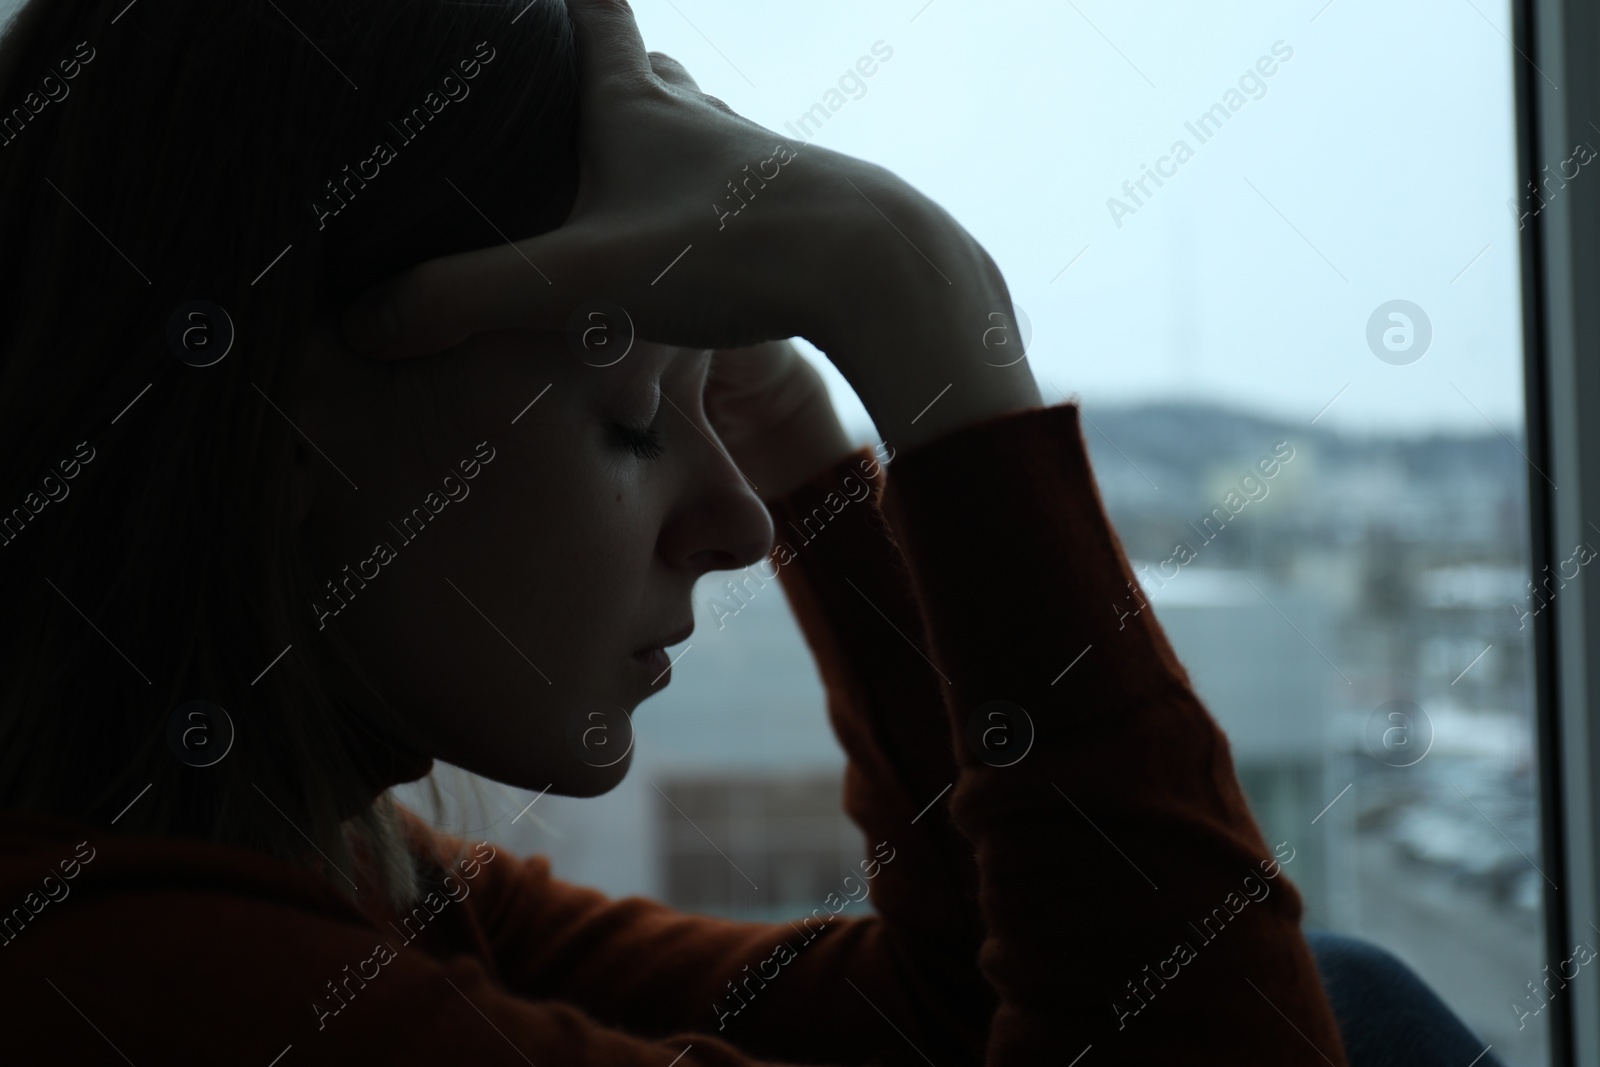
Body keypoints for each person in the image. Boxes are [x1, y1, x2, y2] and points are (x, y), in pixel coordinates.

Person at [0, 0, 1504, 1063]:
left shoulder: (335, 869)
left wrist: (800, 440)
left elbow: (952, 1013)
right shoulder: (136, 988)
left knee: (1336, 990)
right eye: (637, 426)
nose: (733, 533)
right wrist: (917, 301)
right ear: (286, 438)